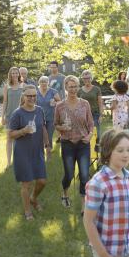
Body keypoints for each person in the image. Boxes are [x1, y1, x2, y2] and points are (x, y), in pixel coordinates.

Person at [9, 85, 51, 220]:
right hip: (23, 152)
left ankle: (33, 198)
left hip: (37, 151)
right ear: (23, 96)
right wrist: (23, 131)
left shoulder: (39, 110)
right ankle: (28, 211)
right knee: (26, 184)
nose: (32, 98)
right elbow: (11, 135)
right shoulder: (17, 113)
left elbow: (43, 127)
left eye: (34, 96)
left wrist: (47, 144)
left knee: (42, 181)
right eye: (29, 96)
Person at [54, 75, 94, 208]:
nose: (73, 89)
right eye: (70, 86)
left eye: (75, 86)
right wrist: (61, 127)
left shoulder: (85, 104)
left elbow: (91, 124)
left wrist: (90, 135)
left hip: (83, 143)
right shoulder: (60, 106)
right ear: (65, 87)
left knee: (84, 175)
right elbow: (56, 124)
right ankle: (65, 193)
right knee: (69, 174)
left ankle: (83, 203)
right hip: (67, 144)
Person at [1, 67, 23, 167]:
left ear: (19, 74)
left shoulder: (23, 86)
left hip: (21, 116)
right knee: (9, 139)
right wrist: (2, 116)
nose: (14, 75)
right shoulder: (7, 86)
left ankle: (19, 161)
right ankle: (9, 162)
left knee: (20, 139)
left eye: (16, 73)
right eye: (12, 73)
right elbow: (5, 101)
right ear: (10, 75)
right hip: (10, 116)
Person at [78, 70, 104, 152]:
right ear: (82, 79)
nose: (87, 80)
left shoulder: (97, 89)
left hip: (95, 114)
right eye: (85, 78)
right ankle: (87, 150)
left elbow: (100, 103)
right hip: (83, 115)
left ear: (91, 78)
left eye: (88, 78)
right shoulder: (79, 90)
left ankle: (98, 152)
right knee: (85, 133)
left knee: (97, 133)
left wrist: (101, 115)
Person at [36, 76, 61, 152]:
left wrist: (55, 102)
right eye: (42, 82)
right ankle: (40, 151)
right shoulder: (36, 92)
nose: (43, 83)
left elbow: (60, 102)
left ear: (48, 83)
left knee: (49, 135)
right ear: (39, 83)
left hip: (51, 117)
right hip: (39, 117)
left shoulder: (53, 91)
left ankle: (48, 152)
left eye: (45, 82)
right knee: (40, 135)